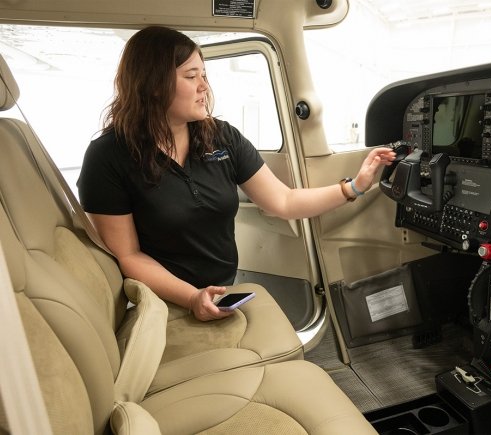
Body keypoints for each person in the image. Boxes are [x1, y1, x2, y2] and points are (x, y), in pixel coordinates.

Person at [77, 26, 396, 322]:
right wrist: (191, 298)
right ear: (153, 85)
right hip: (158, 301)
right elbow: (128, 256)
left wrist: (354, 187)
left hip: (221, 292)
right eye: (191, 76)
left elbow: (283, 201)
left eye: (204, 75)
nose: (204, 86)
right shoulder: (108, 156)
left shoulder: (221, 137)